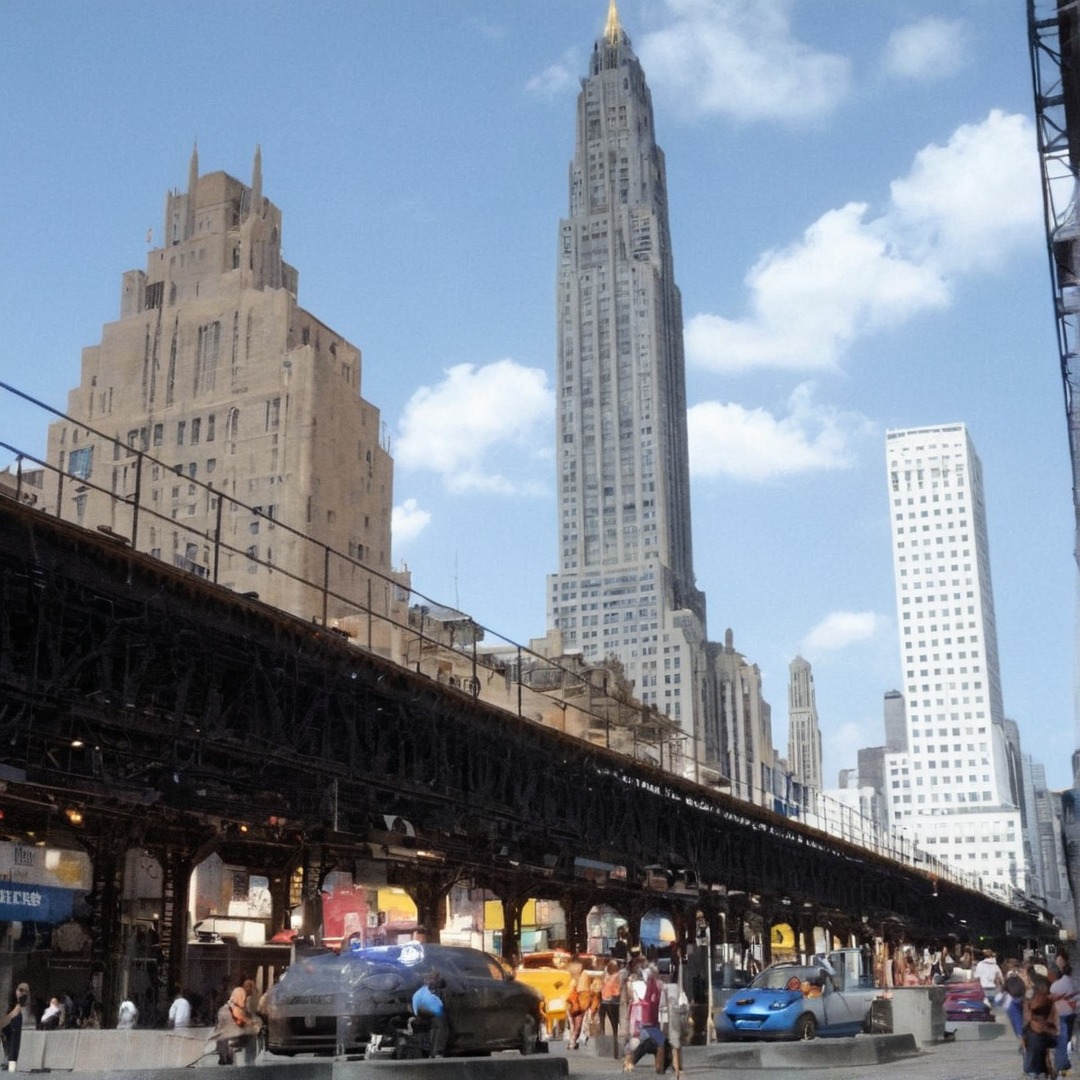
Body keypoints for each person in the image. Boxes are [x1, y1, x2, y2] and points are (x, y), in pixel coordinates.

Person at [1024, 973, 1059, 1079]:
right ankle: (1041, 1071)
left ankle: (1038, 1071)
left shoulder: (1038, 999)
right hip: (1045, 1033)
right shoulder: (1049, 999)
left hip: (1040, 1033)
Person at [411, 972, 449, 1058]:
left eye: (434, 978)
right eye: (429, 978)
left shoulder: (437, 990)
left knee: (437, 1029)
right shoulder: (424, 990)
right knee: (437, 1029)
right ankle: (435, 1052)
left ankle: (435, 1052)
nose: (432, 980)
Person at [659, 973, 689, 1078]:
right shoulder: (678, 988)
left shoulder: (665, 988)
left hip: (670, 1017)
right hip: (680, 1016)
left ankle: (675, 1067)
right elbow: (685, 1004)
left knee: (672, 1042)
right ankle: (679, 1066)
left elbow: (662, 1004)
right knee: (678, 1042)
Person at [1050, 955, 1076, 1076]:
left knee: (1062, 1039)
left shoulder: (1058, 984)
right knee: (1067, 1038)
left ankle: (1061, 1063)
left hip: (1061, 1013)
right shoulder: (1073, 983)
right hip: (1072, 1013)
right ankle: (1064, 1060)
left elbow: (1051, 994)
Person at [599, 960, 624, 1060]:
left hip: (604, 1002)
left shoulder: (606, 976)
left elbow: (602, 988)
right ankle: (617, 1051)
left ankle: (611, 1050)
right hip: (615, 1002)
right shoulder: (618, 976)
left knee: (609, 1028)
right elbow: (617, 991)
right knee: (616, 1028)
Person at [1, 983, 29, 1071]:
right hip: (8, 1016)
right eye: (20, 990)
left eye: (24, 991)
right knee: (6, 1038)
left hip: (14, 1017)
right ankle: (7, 1057)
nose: (22, 992)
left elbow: (20, 1007)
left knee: (14, 1041)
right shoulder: (10, 997)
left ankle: (10, 1062)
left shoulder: (22, 999)